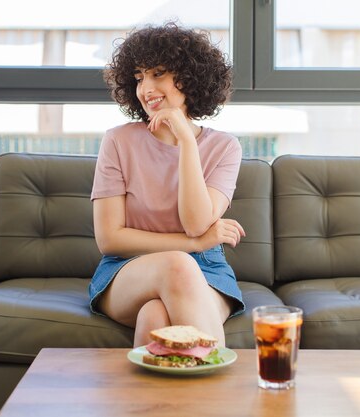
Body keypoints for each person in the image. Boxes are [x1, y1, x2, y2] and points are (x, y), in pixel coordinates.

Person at [88, 22, 246, 348]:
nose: (146, 88)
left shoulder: (225, 147)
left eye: (158, 74)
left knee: (155, 317)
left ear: (190, 78)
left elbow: (197, 221)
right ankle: (220, 394)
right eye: (139, 77)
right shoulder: (118, 141)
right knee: (177, 264)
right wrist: (195, 244)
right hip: (127, 269)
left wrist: (187, 142)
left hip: (208, 270)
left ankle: (150, 400)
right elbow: (109, 239)